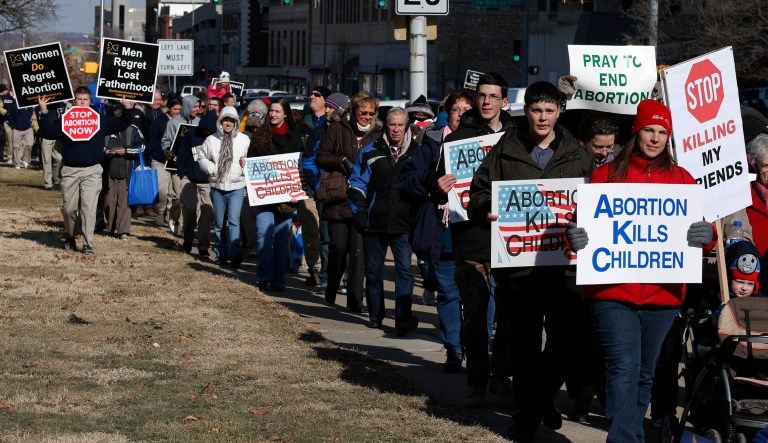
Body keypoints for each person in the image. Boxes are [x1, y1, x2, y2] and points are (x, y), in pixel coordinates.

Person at [565, 99, 717, 443]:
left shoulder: (682, 179)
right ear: (637, 131)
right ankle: (624, 439)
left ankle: (627, 433)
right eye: (649, 129)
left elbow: (700, 229)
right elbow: (583, 222)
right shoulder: (606, 174)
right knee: (623, 368)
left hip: (663, 294)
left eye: (662, 132)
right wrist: (575, 235)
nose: (655, 138)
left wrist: (708, 235)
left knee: (645, 373)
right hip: (612, 291)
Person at [470, 80, 594, 440]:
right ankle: (527, 414)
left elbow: (594, 200)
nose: (542, 117)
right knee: (522, 343)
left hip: (564, 263)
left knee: (566, 339)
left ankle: (541, 398)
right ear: (526, 112)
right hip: (518, 265)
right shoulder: (505, 147)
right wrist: (487, 208)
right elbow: (479, 193)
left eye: (549, 110)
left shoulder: (575, 151)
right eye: (536, 110)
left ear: (559, 112)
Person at [435, 73, 516, 408]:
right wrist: (438, 186)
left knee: (511, 318)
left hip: (511, 241)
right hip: (472, 239)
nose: (486, 102)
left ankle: (502, 376)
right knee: (475, 318)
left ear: (504, 102)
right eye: (482, 95)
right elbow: (436, 179)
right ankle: (477, 382)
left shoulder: (517, 137)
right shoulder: (460, 137)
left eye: (493, 96)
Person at [399, 89, 477, 371]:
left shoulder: (490, 144)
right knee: (448, 292)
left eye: (468, 111)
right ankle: (454, 350)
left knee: (480, 293)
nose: (462, 116)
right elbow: (407, 180)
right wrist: (433, 181)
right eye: (457, 110)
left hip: (477, 232)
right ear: (448, 113)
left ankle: (482, 349)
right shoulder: (432, 143)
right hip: (443, 231)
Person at [38, 89, 136, 254]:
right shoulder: (66, 119)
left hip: (92, 170)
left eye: (85, 99)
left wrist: (127, 109)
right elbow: (48, 133)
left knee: (88, 208)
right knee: (69, 209)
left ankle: (88, 244)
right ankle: (70, 235)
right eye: (79, 99)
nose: (82, 102)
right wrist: (44, 111)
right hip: (70, 171)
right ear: (74, 101)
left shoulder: (100, 119)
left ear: (90, 101)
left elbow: (121, 124)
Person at [348, 107, 419, 332]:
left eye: (400, 125)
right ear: (386, 125)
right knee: (374, 273)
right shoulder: (370, 151)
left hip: (404, 223)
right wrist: (358, 211)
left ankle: (403, 318)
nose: (396, 129)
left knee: (405, 272)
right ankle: (376, 316)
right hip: (374, 221)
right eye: (392, 124)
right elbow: (357, 184)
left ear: (406, 126)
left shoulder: (418, 152)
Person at [316, 91, 383, 312]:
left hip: (363, 201)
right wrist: (342, 160)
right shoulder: (337, 128)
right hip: (338, 199)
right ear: (353, 111)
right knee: (337, 247)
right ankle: (332, 286)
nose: (367, 117)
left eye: (371, 113)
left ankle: (355, 301)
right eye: (363, 112)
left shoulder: (378, 133)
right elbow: (321, 156)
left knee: (358, 252)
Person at [249, 98, 304, 291]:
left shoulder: (295, 139)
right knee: (264, 234)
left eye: (277, 111)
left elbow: (299, 168)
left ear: (286, 114)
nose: (273, 114)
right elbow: (251, 162)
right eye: (271, 111)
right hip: (264, 196)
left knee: (281, 241)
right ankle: (264, 276)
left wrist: (297, 191)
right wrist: (245, 165)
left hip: (286, 199)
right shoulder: (259, 137)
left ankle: (278, 279)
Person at [300, 93, 348, 290]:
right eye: (326, 106)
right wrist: (317, 184)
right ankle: (327, 276)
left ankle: (346, 278)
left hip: (346, 192)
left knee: (345, 239)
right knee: (326, 237)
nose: (327, 110)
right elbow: (309, 160)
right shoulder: (318, 133)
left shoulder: (349, 132)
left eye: (332, 107)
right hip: (324, 193)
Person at [198, 106, 249, 268]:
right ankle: (221, 254)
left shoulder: (244, 139)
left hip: (237, 186)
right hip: (218, 186)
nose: (228, 123)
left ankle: (235, 254)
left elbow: (251, 159)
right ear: (220, 122)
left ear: (236, 122)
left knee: (234, 220)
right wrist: (212, 169)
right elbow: (202, 157)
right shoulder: (211, 140)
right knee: (219, 223)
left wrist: (245, 165)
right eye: (225, 120)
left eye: (231, 120)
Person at [176, 110, 217, 259]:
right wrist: (183, 174)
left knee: (207, 214)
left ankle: (203, 247)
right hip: (190, 179)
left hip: (208, 181)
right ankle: (187, 239)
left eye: (211, 130)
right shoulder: (191, 134)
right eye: (206, 129)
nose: (208, 132)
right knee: (189, 211)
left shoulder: (217, 137)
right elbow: (181, 154)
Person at [161, 95, 202, 233]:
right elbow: (165, 141)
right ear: (187, 106)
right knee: (178, 197)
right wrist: (167, 150)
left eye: (198, 107)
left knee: (193, 199)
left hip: (195, 165)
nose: (197, 109)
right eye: (194, 106)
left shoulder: (199, 122)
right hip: (177, 164)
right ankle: (173, 217)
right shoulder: (173, 123)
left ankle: (188, 227)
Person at [103, 105, 144, 240]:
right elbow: (99, 145)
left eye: (122, 114)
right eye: (117, 114)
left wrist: (126, 151)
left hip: (127, 172)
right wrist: (106, 152)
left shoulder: (133, 130)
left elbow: (142, 147)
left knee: (124, 202)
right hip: (109, 171)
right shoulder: (107, 129)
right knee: (110, 201)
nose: (120, 116)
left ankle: (123, 230)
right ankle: (110, 227)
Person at [37, 101, 65, 189]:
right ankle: (48, 183)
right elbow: (37, 120)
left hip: (58, 137)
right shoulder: (39, 107)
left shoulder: (61, 105)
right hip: (46, 138)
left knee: (59, 158)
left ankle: (55, 177)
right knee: (46, 160)